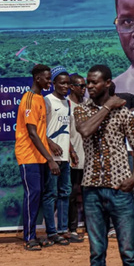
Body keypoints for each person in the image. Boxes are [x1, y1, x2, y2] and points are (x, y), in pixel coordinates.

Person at [74, 64, 134, 266]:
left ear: (107, 83)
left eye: (94, 82)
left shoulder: (124, 113)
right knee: (96, 252)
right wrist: (106, 106)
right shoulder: (82, 110)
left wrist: (133, 177)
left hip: (120, 190)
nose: (89, 86)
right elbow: (85, 131)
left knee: (128, 251)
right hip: (92, 190)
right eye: (88, 82)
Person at [14, 64, 60, 251]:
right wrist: (50, 159)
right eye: (47, 78)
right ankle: (29, 237)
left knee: (38, 195)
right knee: (32, 196)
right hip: (28, 156)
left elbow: (40, 133)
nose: (50, 82)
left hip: (38, 156)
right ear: (37, 78)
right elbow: (32, 133)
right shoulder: (30, 99)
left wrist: (49, 149)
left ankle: (33, 234)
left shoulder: (40, 99)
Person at [42, 68, 78, 244]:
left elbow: (67, 131)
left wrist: (71, 150)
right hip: (51, 157)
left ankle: (63, 229)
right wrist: (51, 145)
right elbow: (39, 129)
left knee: (65, 192)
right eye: (62, 83)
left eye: (68, 83)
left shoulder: (67, 103)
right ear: (53, 83)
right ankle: (51, 232)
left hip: (64, 157)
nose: (66, 86)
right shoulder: (47, 101)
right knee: (51, 194)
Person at [67, 74, 86, 237]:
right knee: (72, 193)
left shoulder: (87, 105)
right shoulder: (67, 105)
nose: (84, 89)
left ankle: (90, 225)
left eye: (84, 85)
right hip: (73, 158)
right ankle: (71, 227)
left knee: (88, 193)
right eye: (80, 86)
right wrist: (71, 151)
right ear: (72, 87)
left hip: (88, 157)